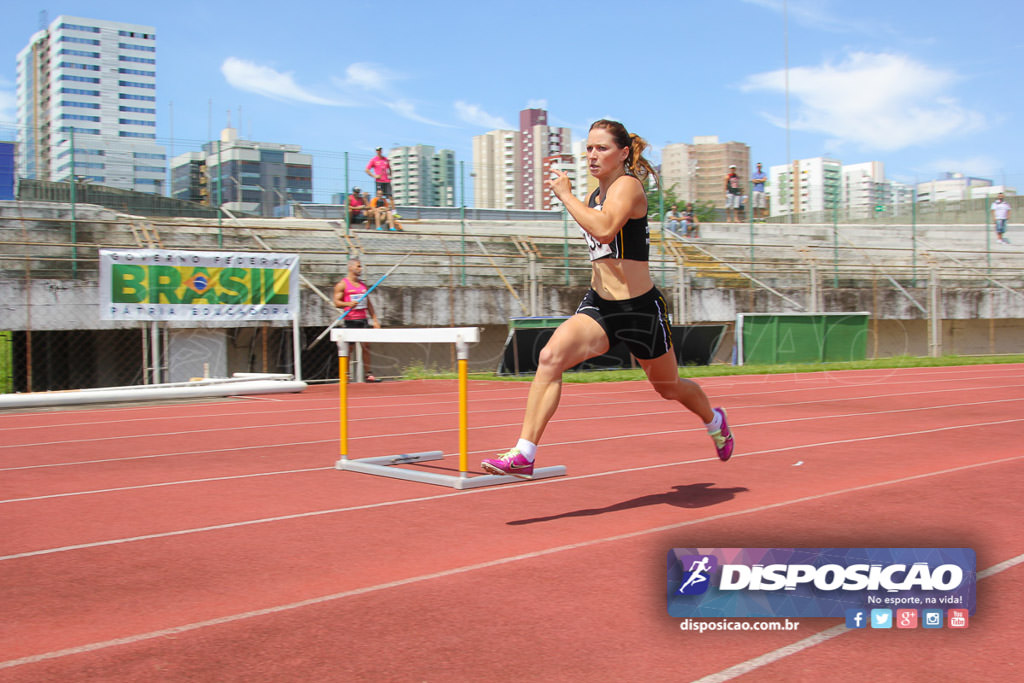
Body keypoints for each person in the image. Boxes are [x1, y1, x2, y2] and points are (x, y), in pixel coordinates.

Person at [480, 119, 734, 479]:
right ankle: (525, 452)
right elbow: (601, 247)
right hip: (601, 306)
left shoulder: (628, 187)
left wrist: (565, 195)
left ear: (623, 153)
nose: (592, 155)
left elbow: (604, 228)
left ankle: (714, 420)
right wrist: (576, 200)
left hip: (639, 310)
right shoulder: (593, 197)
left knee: (668, 388)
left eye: (602, 148)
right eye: (588, 148)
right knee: (550, 357)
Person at [333, 258, 381, 382]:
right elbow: (336, 302)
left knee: (366, 347)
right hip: (350, 320)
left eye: (361, 267)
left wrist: (375, 320)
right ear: (351, 267)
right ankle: (345, 374)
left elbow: (368, 303)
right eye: (358, 266)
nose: (361, 269)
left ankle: (368, 374)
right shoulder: (342, 284)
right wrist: (348, 304)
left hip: (363, 319)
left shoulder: (362, 285)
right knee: (349, 349)